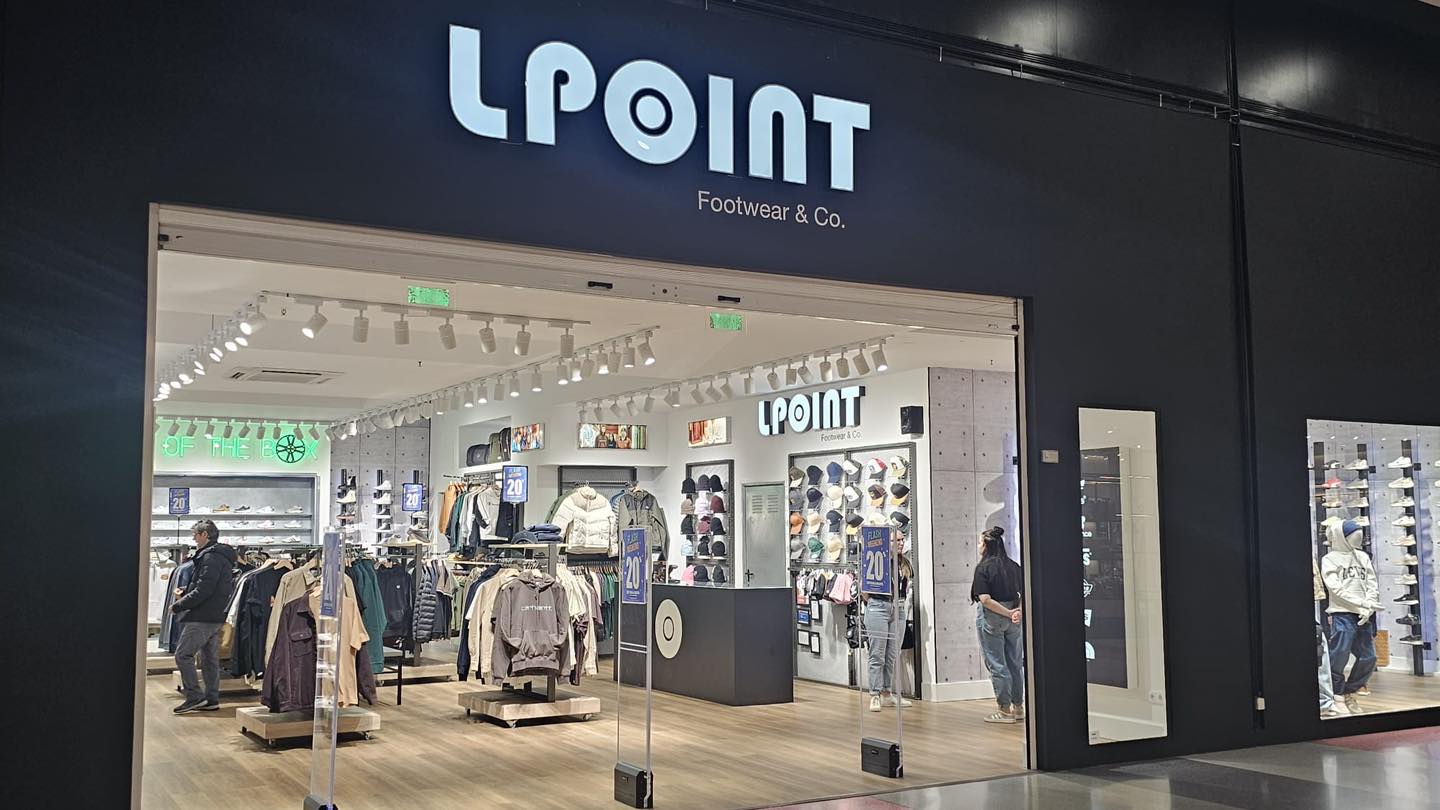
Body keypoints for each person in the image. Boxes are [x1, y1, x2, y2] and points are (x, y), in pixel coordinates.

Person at [170, 519, 237, 714]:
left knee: (183, 655)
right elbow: (208, 586)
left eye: (195, 535)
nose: (193, 538)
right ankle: (211, 699)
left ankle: (195, 697)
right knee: (209, 659)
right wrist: (186, 590)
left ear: (204, 535)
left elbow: (204, 589)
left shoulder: (210, 557)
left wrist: (179, 605)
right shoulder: (218, 556)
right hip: (214, 614)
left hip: (203, 615)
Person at [972, 526, 1024, 724]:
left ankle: (1004, 710)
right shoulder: (1014, 566)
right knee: (1015, 663)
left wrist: (1007, 613)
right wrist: (1016, 612)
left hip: (993, 617)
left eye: (980, 542)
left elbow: (985, 599)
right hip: (1014, 617)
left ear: (986, 546)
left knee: (997, 664)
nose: (978, 546)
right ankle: (1018, 706)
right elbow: (1025, 592)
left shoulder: (983, 568)